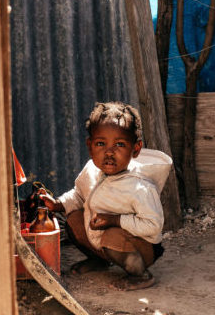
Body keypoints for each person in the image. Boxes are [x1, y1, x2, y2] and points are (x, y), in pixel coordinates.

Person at [41, 101, 172, 291]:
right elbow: (79, 195)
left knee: (113, 236)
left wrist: (115, 220)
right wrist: (57, 204)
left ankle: (141, 275)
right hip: (102, 240)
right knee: (73, 220)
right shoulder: (91, 170)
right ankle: (99, 260)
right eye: (101, 144)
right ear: (90, 146)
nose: (109, 152)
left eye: (120, 144)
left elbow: (153, 225)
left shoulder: (140, 187)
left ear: (135, 149)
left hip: (141, 248)